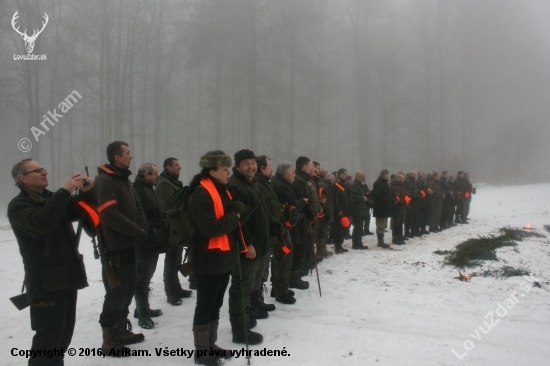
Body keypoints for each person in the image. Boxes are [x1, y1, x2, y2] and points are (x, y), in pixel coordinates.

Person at [8, 159, 93, 365]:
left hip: (67, 278)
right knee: (47, 341)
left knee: (62, 338)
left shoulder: (52, 198)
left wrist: (85, 194)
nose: (44, 172)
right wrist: (64, 192)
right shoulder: (18, 206)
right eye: (37, 170)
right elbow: (43, 224)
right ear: (23, 179)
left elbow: (83, 215)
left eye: (43, 168)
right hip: (45, 283)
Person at [187, 150, 244, 365]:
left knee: (216, 304)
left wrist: (236, 209)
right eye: (224, 169)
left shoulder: (221, 191)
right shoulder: (201, 194)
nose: (229, 172)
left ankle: (211, 344)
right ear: (212, 171)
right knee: (205, 305)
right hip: (208, 259)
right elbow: (210, 227)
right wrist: (233, 217)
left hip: (222, 258)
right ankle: (202, 351)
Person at [94, 141, 147, 354]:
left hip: (128, 245)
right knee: (116, 294)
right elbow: (108, 214)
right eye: (127, 153)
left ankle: (122, 330)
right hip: (114, 248)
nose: (131, 156)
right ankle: (109, 340)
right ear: (116, 157)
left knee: (128, 291)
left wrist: (142, 228)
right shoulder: (104, 181)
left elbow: (138, 206)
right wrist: (136, 231)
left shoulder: (125, 180)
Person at [227, 149, 272, 345]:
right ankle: (240, 330)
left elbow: (260, 214)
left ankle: (247, 319)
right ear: (237, 167)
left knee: (250, 284)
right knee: (241, 288)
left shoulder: (253, 185)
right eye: (246, 163)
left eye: (253, 163)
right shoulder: (235, 187)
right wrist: (248, 245)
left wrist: (276, 228)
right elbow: (238, 223)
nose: (251, 166)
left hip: (260, 246)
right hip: (247, 248)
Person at [132, 163, 167, 329]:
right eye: (155, 173)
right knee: (141, 279)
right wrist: (152, 228)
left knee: (147, 276)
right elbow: (141, 214)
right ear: (146, 175)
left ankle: (143, 308)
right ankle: (142, 313)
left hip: (153, 241)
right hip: (144, 243)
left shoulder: (148, 188)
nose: (157, 176)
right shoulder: (137, 190)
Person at [155, 157, 192, 305]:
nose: (180, 167)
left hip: (177, 227)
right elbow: (171, 204)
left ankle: (177, 288)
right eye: (176, 165)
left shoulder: (172, 182)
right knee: (171, 260)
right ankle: (171, 293)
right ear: (168, 168)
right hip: (170, 227)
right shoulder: (164, 184)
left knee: (176, 258)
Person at [271, 162, 308, 303]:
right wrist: (303, 201)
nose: (295, 175)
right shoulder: (280, 186)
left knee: (279, 258)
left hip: (283, 226)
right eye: (293, 172)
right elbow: (294, 206)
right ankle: (281, 290)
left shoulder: (280, 183)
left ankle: (277, 287)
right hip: (284, 227)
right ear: (286, 174)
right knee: (284, 258)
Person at [252, 155, 281, 312]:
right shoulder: (259, 186)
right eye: (269, 166)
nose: (272, 169)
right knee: (258, 271)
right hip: (263, 234)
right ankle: (254, 302)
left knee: (263, 270)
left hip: (270, 232)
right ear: (262, 169)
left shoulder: (265, 185)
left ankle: (258, 299)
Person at [332, 169, 352, 254]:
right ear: (340, 174)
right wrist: (338, 209)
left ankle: (340, 245)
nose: (346, 176)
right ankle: (337, 246)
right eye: (344, 174)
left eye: (347, 174)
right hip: (340, 212)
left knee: (344, 228)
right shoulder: (337, 185)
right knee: (339, 229)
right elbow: (335, 199)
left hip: (346, 210)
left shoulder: (344, 185)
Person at [348, 171, 369, 250]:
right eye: (362, 177)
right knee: (357, 227)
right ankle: (356, 243)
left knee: (359, 228)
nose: (364, 179)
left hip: (361, 209)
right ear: (357, 177)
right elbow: (352, 197)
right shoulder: (354, 186)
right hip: (357, 210)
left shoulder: (361, 185)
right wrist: (362, 198)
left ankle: (359, 242)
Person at [371, 170, 392, 248]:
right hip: (380, 208)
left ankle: (381, 241)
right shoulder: (378, 183)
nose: (388, 176)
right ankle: (380, 242)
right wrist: (386, 199)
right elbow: (376, 195)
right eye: (388, 174)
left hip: (384, 208)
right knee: (380, 225)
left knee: (383, 225)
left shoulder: (384, 183)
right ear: (385, 175)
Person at [317, 173, 335, 258]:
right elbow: (328, 201)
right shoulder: (326, 187)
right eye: (334, 180)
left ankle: (322, 250)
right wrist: (329, 214)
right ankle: (321, 251)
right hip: (323, 212)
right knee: (322, 232)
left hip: (322, 211)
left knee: (323, 231)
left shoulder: (321, 184)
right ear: (330, 179)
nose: (334, 182)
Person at [390, 174, 406, 244]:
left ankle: (400, 237)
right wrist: (403, 201)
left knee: (400, 223)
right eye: (402, 179)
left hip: (402, 206)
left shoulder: (401, 187)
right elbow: (397, 197)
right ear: (398, 179)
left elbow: (404, 195)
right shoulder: (394, 187)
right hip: (397, 207)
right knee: (397, 223)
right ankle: (396, 238)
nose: (403, 180)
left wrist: (407, 200)